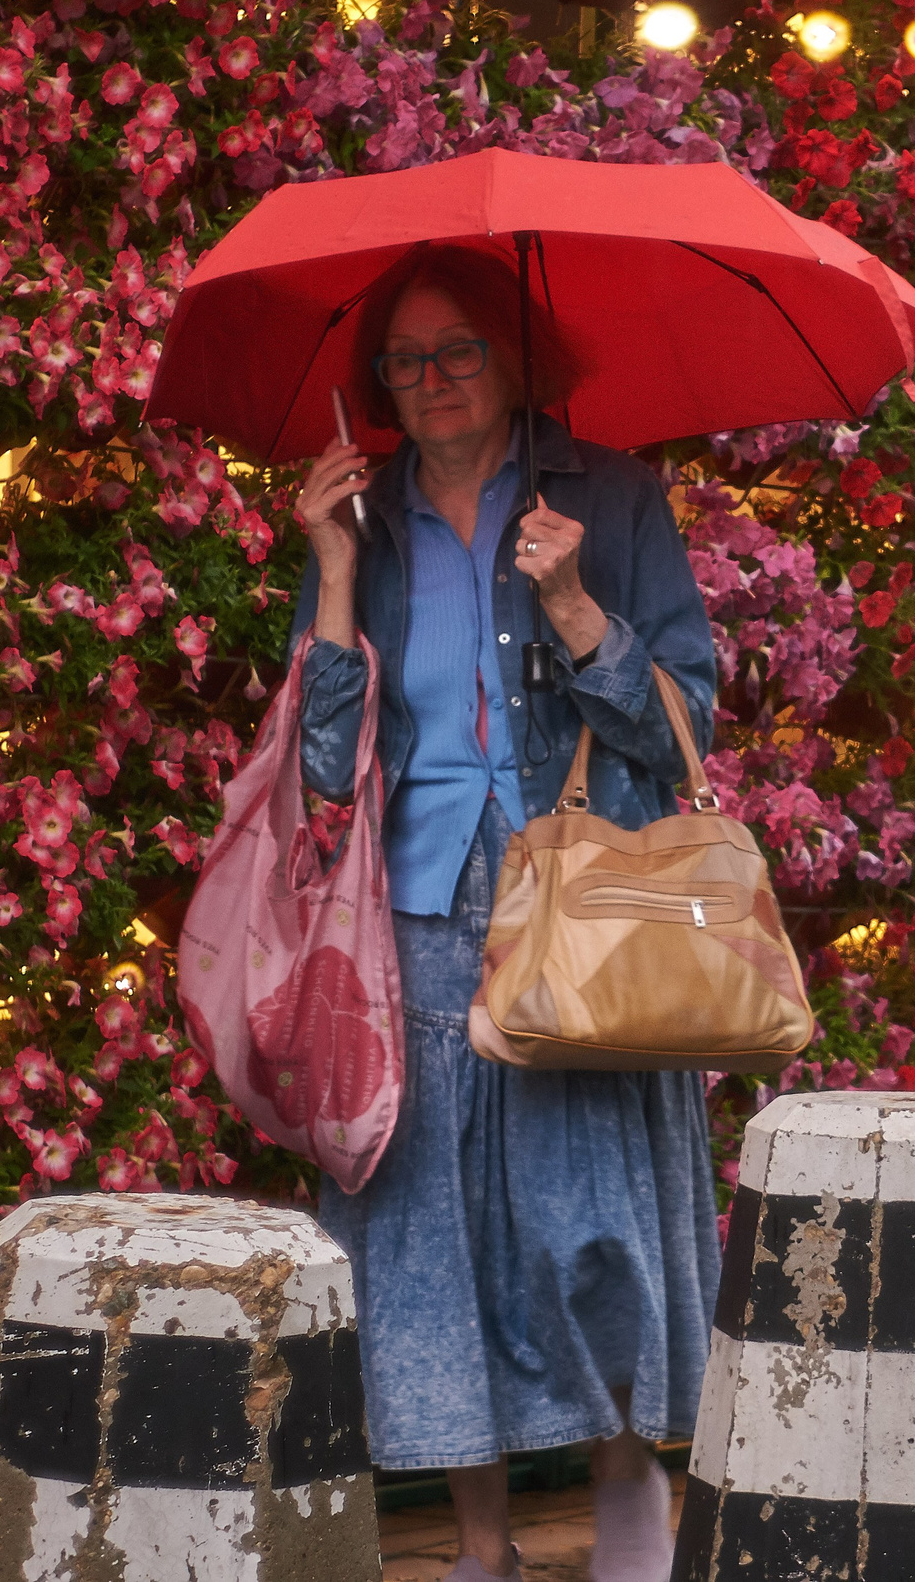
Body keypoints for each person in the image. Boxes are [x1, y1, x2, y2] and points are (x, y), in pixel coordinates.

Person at [287, 246, 721, 1582]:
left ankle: (628, 1480)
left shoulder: (614, 496)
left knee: (587, 1217)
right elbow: (320, 760)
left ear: (517, 360)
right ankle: (482, 1545)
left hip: (574, 911)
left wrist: (576, 605)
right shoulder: (364, 520)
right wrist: (336, 574)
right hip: (415, 918)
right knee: (433, 1243)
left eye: (459, 351)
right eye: (406, 362)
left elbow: (681, 725)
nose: (431, 382)